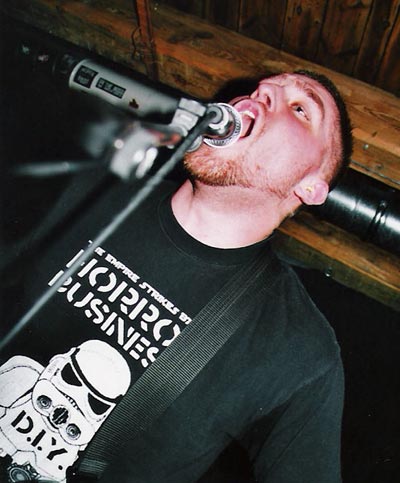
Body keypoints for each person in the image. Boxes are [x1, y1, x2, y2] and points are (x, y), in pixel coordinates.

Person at [0, 70, 352, 483]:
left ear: (311, 186)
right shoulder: (85, 188)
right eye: (262, 89)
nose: (264, 92)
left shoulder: (298, 347)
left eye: (301, 108)